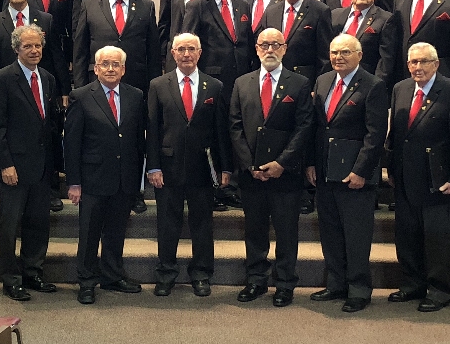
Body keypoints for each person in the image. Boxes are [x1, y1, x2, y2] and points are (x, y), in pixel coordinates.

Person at [229, 28, 313, 307]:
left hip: (285, 174)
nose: (270, 49)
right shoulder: (242, 83)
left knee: (286, 232)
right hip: (251, 175)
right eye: (264, 45)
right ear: (256, 49)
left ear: (284, 49)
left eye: (276, 44)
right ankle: (256, 279)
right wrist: (249, 164)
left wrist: (281, 163)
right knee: (254, 231)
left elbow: (304, 127)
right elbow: (235, 126)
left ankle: (285, 283)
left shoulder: (300, 83)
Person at [386, 42, 450, 312]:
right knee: (407, 236)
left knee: (436, 239)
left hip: (439, 180)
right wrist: (391, 169)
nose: (418, 67)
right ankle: (412, 284)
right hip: (405, 178)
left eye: (423, 62)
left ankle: (438, 290)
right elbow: (396, 135)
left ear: (436, 64)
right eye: (413, 62)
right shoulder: (400, 89)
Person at [146, 33, 232, 297]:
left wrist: (225, 167)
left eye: (191, 49)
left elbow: (221, 131)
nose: (186, 54)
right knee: (167, 223)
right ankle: (166, 273)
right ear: (173, 53)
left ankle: (201, 274)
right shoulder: (158, 85)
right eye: (181, 49)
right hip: (167, 167)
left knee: (202, 224)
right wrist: (153, 167)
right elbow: (152, 129)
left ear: (200, 53)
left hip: (202, 167)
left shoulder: (214, 86)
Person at [307, 34, 388, 312]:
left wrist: (361, 170)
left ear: (359, 55)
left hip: (355, 175)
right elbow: (317, 127)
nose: (338, 57)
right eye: (334, 52)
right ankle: (336, 284)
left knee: (356, 235)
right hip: (325, 170)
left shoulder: (373, 85)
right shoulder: (323, 81)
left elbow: (375, 135)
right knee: (330, 232)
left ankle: (359, 289)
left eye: (345, 52)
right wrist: (311, 163)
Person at [64, 46, 146, 305]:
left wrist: (138, 180)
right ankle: (86, 281)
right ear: (96, 68)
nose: (111, 69)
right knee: (89, 234)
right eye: (105, 64)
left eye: (116, 64)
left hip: (124, 178)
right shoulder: (81, 96)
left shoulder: (135, 96)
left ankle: (112, 276)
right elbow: (72, 143)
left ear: (123, 69)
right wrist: (74, 182)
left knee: (116, 232)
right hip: (92, 179)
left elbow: (138, 140)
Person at [0, 0, 70, 212]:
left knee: (47, 135)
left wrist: (63, 88)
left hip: (41, 88)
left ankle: (50, 189)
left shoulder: (46, 19)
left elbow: (56, 55)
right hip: (8, 94)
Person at [0, 24, 60, 301]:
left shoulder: (48, 78)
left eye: (38, 45)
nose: (34, 50)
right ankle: (11, 279)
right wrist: (5, 164)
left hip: (42, 166)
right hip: (13, 167)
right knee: (9, 226)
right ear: (16, 48)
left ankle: (33, 272)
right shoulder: (1, 79)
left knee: (38, 223)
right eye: (28, 46)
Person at [263, 0, 333, 214]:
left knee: (304, 133)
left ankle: (305, 191)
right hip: (276, 83)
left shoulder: (319, 10)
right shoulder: (272, 11)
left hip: (306, 85)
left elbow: (325, 55)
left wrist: (318, 86)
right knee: (282, 132)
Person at [73, 0, 160, 98]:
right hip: (97, 81)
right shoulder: (89, 5)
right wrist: (80, 88)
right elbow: (80, 50)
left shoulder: (146, 6)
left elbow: (153, 51)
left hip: (136, 81)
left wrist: (154, 89)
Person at [180, 0, 254, 109]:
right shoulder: (197, 6)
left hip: (242, 78)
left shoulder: (243, 5)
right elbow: (188, 45)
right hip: (211, 78)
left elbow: (248, 42)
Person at [329, 0, 400, 84]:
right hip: (336, 80)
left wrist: (377, 85)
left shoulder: (385, 19)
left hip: (367, 82)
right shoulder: (335, 15)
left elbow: (386, 60)